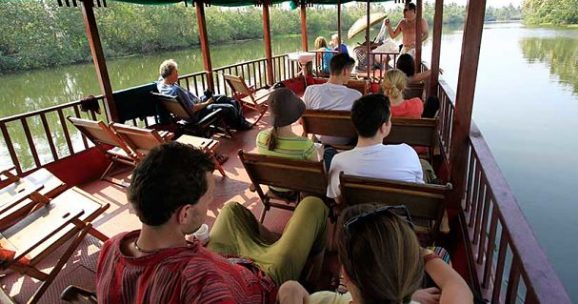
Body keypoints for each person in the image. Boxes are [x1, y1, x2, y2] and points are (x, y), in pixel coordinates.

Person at [96, 142, 328, 304]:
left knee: (232, 209)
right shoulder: (198, 284)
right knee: (313, 206)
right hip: (265, 283)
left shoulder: (112, 247)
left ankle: (270, 246)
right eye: (207, 200)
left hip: (224, 262)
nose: (209, 205)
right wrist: (288, 290)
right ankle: (311, 277)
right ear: (184, 214)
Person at [277, 203, 473, 304]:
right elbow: (455, 284)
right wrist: (418, 252)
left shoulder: (324, 300)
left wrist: (291, 287)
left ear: (344, 274)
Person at [327, 94, 424, 203]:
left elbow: (337, 200)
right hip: (398, 217)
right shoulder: (407, 153)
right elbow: (419, 191)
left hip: (358, 217)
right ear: (383, 127)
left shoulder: (338, 161)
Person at [157, 59, 252, 130]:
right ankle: (240, 124)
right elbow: (194, 108)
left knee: (223, 98)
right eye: (176, 72)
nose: (178, 74)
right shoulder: (176, 91)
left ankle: (239, 120)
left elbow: (161, 77)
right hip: (197, 114)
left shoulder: (161, 84)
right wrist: (208, 102)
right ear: (169, 75)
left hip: (192, 109)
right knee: (229, 107)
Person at [303, 53, 362, 147]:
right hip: (347, 142)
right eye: (350, 71)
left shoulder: (311, 90)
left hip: (320, 140)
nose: (350, 75)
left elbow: (302, 119)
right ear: (345, 72)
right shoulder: (356, 95)